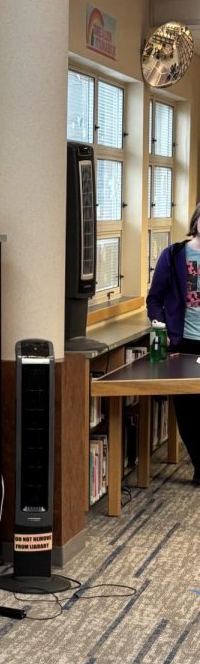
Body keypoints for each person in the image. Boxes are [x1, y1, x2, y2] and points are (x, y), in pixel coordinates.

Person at [146, 202, 200, 485]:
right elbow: (154, 298)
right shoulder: (175, 254)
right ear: (196, 221)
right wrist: (161, 323)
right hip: (185, 343)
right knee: (188, 409)